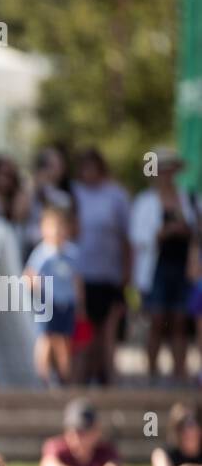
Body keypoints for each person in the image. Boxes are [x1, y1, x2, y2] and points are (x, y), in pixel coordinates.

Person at [131, 149, 196, 382]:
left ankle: (179, 370)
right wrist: (162, 233)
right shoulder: (145, 201)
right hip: (157, 267)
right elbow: (138, 238)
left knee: (179, 320)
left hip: (182, 267)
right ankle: (152, 371)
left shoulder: (189, 199)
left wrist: (185, 230)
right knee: (157, 319)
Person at [71, 147, 131, 385]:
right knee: (84, 331)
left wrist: (128, 273)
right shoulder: (75, 193)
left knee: (108, 332)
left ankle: (109, 378)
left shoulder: (116, 196)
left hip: (109, 274)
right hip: (82, 275)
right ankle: (81, 377)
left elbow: (127, 238)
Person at [23, 204, 82, 386]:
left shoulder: (72, 252)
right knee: (46, 339)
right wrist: (39, 292)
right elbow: (28, 276)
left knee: (64, 340)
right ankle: (43, 378)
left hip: (67, 303)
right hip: (47, 304)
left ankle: (64, 378)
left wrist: (80, 304)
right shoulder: (42, 253)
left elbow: (77, 280)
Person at [39, 398, 122, 466]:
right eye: (73, 430)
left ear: (96, 431)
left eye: (82, 432)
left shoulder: (106, 450)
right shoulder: (57, 447)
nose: (76, 437)